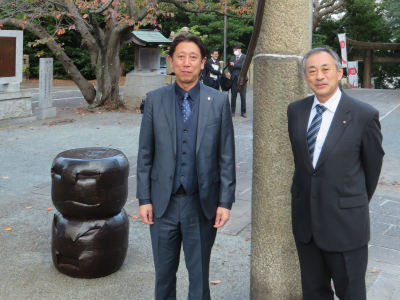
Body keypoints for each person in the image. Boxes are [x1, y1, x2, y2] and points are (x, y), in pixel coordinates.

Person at [136, 34, 236, 300]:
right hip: (162, 203)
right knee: (164, 276)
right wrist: (144, 198)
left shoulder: (218, 102)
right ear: (170, 61)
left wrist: (225, 202)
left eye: (193, 57)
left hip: (201, 203)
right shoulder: (155, 100)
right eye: (181, 56)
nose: (187, 63)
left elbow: (226, 155)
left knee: (199, 276)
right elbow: (145, 153)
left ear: (203, 62)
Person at [287, 47, 384, 300]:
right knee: (314, 292)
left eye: (325, 69)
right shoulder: (295, 111)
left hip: (346, 226)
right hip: (306, 223)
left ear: (339, 72)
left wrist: (350, 201)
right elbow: (304, 166)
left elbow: (371, 170)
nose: (319, 76)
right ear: (306, 76)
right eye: (312, 71)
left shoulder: (363, 115)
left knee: (351, 293)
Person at [227, 44, 247, 118]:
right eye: (234, 50)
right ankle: (232, 111)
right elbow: (230, 68)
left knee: (243, 96)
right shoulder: (232, 59)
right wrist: (229, 72)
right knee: (233, 96)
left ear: (240, 49)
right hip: (234, 79)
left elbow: (243, 66)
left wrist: (234, 65)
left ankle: (243, 111)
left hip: (242, 79)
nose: (235, 51)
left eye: (236, 50)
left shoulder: (244, 57)